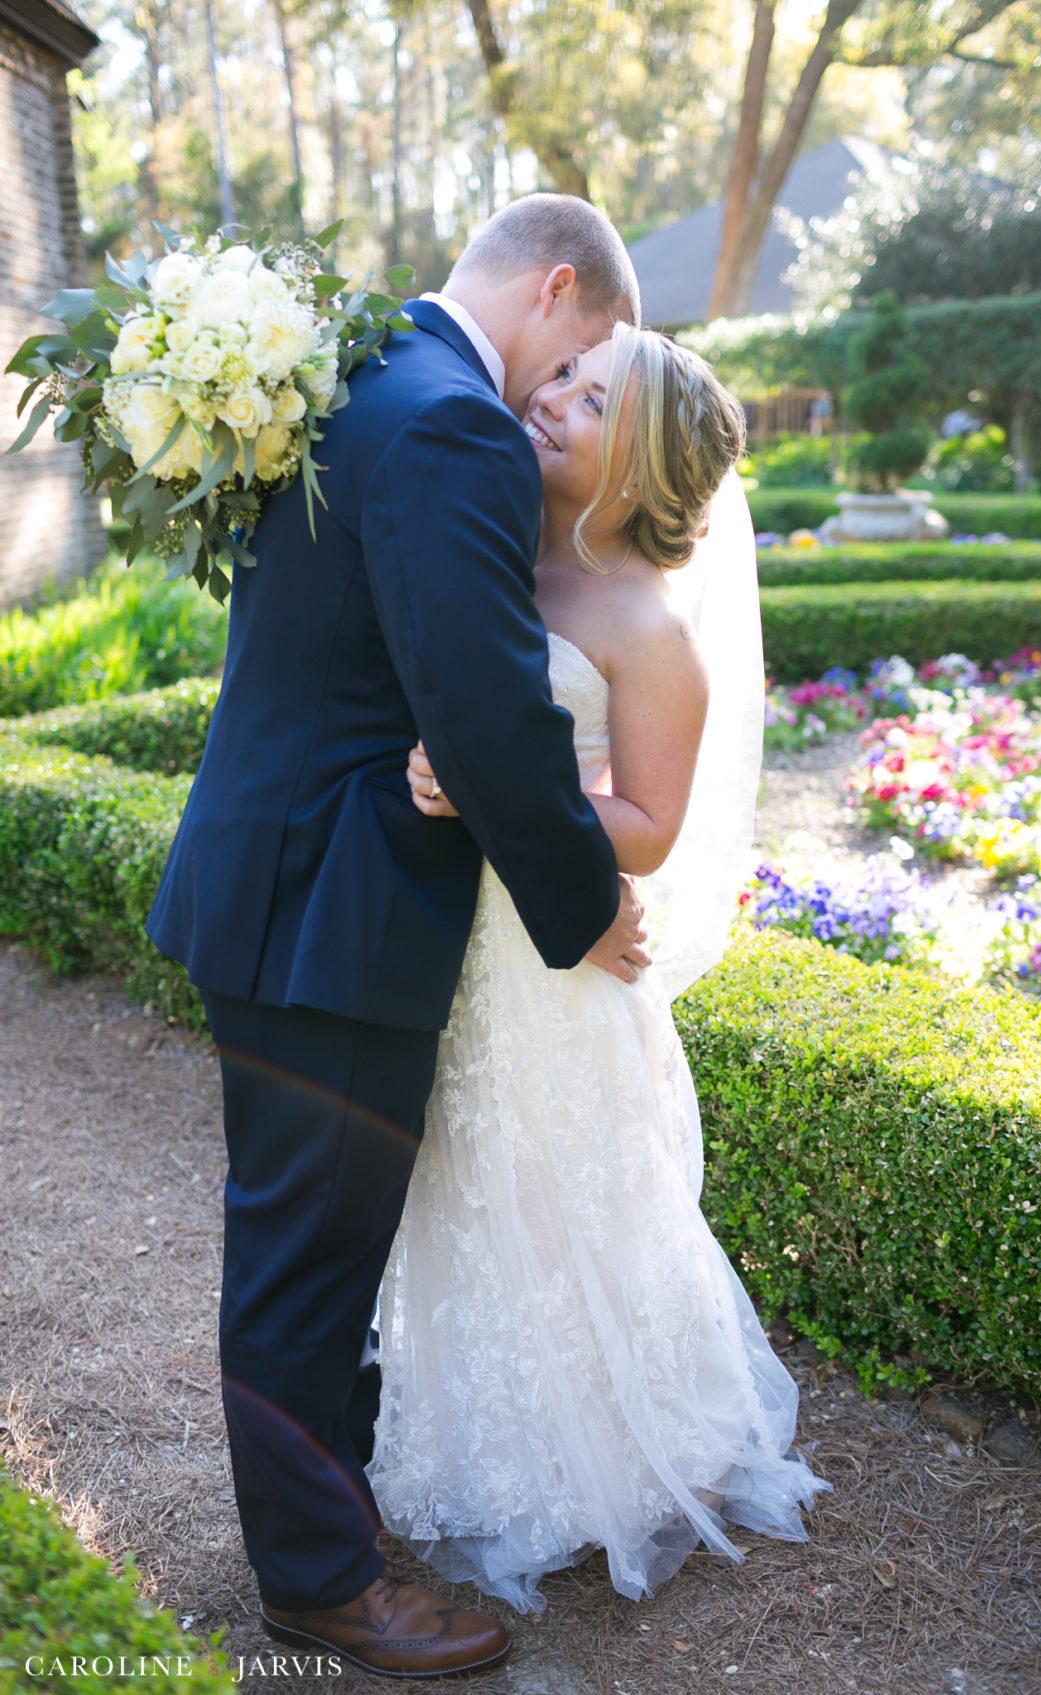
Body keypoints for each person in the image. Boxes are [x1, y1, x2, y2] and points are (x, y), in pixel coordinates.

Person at [145, 194, 651, 1680]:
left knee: (306, 1244)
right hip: (337, 907)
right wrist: (586, 904)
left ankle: (330, 1521)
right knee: (308, 1257)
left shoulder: (350, 376)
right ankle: (320, 1584)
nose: (563, 391)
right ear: (558, 288)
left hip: (275, 876)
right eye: (586, 350)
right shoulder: (447, 422)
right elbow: (483, 704)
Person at [367, 325, 830, 1614]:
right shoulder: (493, 544)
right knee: (459, 1176)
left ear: (644, 463)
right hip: (451, 941)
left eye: (591, 394)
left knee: (556, 1189)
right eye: (562, 374)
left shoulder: (646, 626)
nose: (552, 395)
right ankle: (470, 1439)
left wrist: (489, 797)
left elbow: (650, 826)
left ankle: (604, 1462)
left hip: (553, 956)